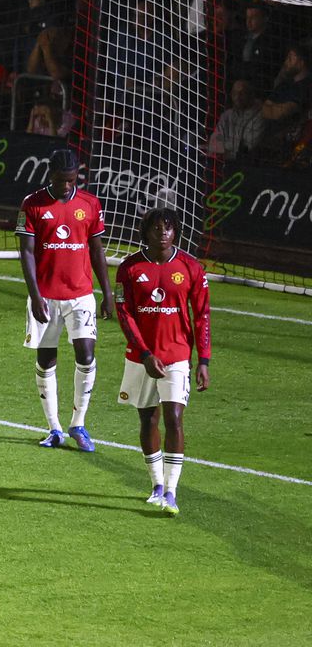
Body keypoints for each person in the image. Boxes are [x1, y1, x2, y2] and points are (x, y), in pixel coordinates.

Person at [16, 147, 115, 452]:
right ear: (51, 175)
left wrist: (107, 294)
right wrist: (35, 296)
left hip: (80, 295)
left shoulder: (90, 204)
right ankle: (54, 428)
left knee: (86, 355)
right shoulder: (32, 205)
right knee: (46, 360)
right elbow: (27, 252)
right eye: (62, 180)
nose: (67, 186)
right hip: (45, 296)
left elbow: (97, 251)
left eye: (71, 181)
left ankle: (78, 423)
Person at [114, 208, 210, 515]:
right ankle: (156, 485)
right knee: (148, 420)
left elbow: (202, 315)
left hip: (177, 356)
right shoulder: (129, 268)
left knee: (175, 419)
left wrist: (203, 360)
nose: (163, 233)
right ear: (146, 232)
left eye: (168, 228)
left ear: (176, 232)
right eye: (157, 228)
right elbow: (124, 313)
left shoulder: (191, 267)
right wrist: (144, 353)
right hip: (141, 357)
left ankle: (171, 491)